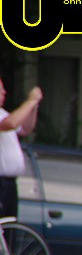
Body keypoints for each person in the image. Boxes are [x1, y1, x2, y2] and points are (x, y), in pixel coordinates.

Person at [0, 78, 42, 218]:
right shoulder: (6, 118)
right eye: (0, 90)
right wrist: (30, 101)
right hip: (1, 181)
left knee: (8, 224)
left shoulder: (3, 113)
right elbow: (11, 124)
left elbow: (25, 129)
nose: (4, 92)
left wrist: (33, 106)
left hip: (9, 182)